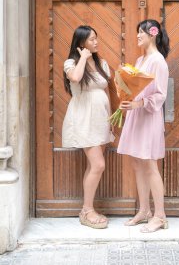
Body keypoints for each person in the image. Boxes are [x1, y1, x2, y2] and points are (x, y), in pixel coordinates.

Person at [117, 19, 169, 233]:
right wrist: (126, 96)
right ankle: (144, 210)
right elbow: (134, 87)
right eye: (137, 32)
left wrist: (139, 103)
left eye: (141, 32)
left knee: (150, 165)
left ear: (153, 33)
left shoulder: (158, 61)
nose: (137, 36)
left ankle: (160, 216)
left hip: (148, 117)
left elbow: (160, 94)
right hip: (136, 116)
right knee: (137, 163)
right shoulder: (140, 59)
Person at [62, 25, 112, 229]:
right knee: (99, 165)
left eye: (96, 38)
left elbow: (106, 91)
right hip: (83, 119)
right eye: (92, 39)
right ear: (81, 42)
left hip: (101, 119)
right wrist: (83, 57)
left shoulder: (102, 63)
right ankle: (87, 210)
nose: (96, 42)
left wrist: (111, 120)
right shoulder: (71, 62)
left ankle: (86, 210)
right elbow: (75, 78)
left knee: (93, 166)